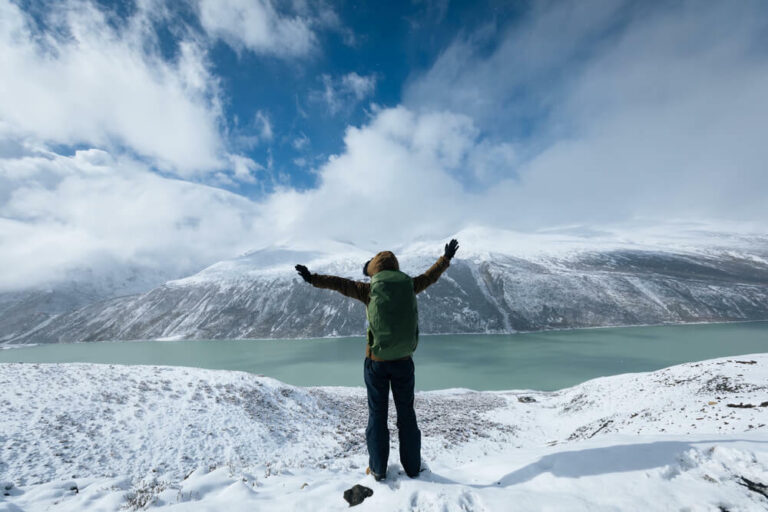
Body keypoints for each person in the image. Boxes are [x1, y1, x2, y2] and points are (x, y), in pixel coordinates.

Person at [294, 239, 459, 481]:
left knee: (377, 415)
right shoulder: (410, 285)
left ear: (374, 269)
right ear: (395, 267)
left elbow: (338, 284)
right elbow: (430, 276)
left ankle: (379, 468)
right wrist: (445, 259)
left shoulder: (368, 289)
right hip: (404, 361)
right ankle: (413, 468)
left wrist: (311, 278)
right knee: (407, 414)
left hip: (376, 362)